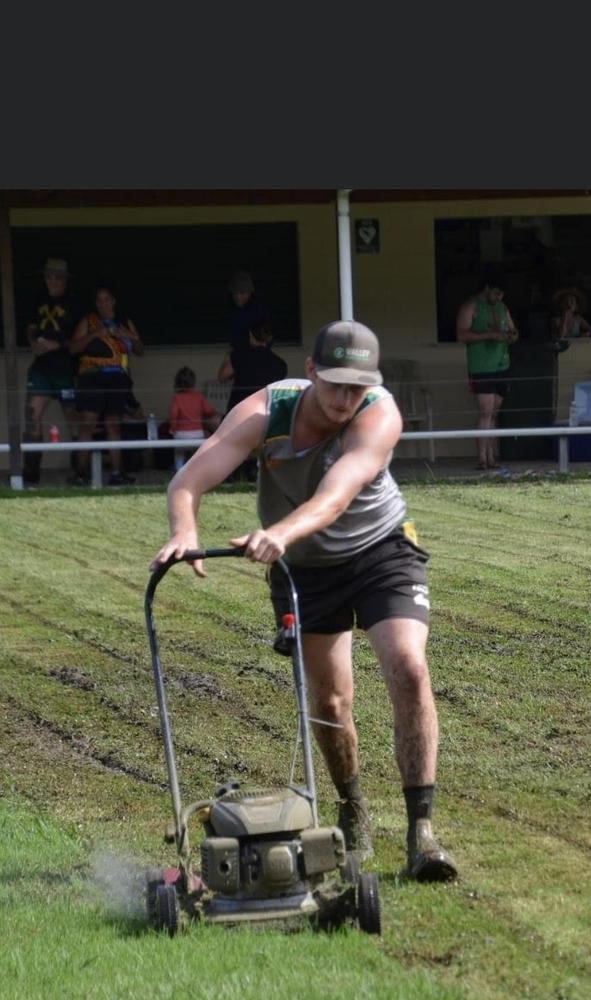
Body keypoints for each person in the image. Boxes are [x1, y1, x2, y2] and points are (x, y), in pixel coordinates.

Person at [151, 320, 458, 883]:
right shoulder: (268, 411)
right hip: (308, 572)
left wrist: (281, 534)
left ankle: (422, 832)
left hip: (380, 551)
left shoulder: (380, 414)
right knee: (332, 702)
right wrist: (184, 530)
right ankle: (353, 806)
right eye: (336, 384)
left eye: (357, 387)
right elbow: (188, 480)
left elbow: (336, 496)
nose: (345, 399)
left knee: (410, 668)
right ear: (311, 371)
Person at [69, 285, 144, 486]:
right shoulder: (89, 321)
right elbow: (73, 348)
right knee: (87, 424)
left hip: (117, 379)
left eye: (107, 299)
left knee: (114, 424)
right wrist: (96, 334)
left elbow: (139, 349)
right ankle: (81, 473)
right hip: (91, 377)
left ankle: (117, 472)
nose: (103, 304)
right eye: (99, 300)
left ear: (113, 301)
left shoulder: (124, 322)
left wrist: (129, 337)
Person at [22, 257, 81, 486]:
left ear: (65, 280)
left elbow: (80, 340)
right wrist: (33, 343)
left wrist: (59, 345)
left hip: (66, 369)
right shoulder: (37, 299)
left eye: (57, 277)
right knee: (32, 416)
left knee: (74, 421)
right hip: (41, 368)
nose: (52, 281)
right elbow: (30, 328)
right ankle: (30, 477)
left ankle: (79, 473)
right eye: (48, 277)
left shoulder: (75, 304)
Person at [456, 268, 519, 471]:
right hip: (481, 366)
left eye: (501, 294)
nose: (498, 297)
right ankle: (482, 458)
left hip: (502, 364)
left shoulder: (502, 307)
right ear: (486, 289)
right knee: (485, 411)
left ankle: (492, 456)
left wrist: (511, 336)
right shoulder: (471, 307)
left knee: (494, 413)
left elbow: (513, 330)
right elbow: (462, 335)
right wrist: (489, 336)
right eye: (495, 293)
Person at [217, 321, 288, 481]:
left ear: (250, 336)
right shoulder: (280, 364)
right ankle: (254, 468)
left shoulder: (237, 356)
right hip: (266, 414)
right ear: (269, 338)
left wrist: (228, 356)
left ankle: (235, 469)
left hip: (237, 413)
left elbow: (221, 377)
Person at [169, 366, 222, 472]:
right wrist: (217, 413)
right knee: (196, 456)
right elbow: (209, 410)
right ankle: (197, 472)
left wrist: (172, 428)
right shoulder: (198, 396)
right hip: (197, 434)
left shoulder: (177, 398)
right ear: (193, 382)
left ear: (177, 382)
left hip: (181, 434)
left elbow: (174, 415)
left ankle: (178, 471)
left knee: (179, 454)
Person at [225, 271, 269, 351]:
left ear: (250, 293)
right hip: (239, 352)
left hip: (258, 351)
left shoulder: (258, 310)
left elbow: (268, 336)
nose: (238, 297)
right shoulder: (230, 310)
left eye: (242, 293)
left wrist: (261, 343)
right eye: (235, 293)